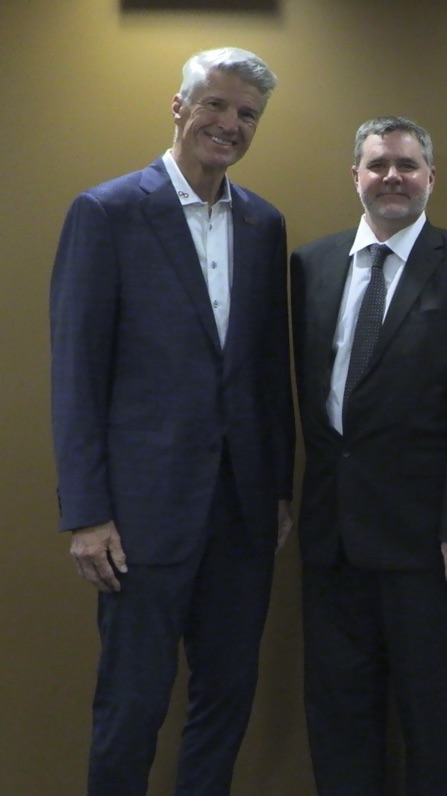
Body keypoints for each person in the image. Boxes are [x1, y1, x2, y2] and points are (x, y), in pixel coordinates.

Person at [49, 46, 291, 796]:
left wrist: (279, 488)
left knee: (224, 701)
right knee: (132, 705)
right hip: (141, 516)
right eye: (216, 105)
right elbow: (76, 375)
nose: (229, 124)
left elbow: (265, 368)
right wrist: (86, 514)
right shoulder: (108, 212)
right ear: (179, 107)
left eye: (246, 115)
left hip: (242, 512)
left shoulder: (262, 224)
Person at [290, 116, 447, 795]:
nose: (393, 176)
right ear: (354, 175)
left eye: (407, 165)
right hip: (331, 541)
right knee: (338, 720)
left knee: (432, 722)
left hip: (430, 546)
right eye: (379, 163)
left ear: (430, 178)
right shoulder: (313, 265)